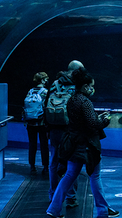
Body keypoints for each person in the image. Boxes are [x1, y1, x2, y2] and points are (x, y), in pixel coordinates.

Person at [46, 68, 119, 218]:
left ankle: (53, 209)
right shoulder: (85, 101)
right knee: (95, 175)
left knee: (69, 175)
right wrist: (104, 121)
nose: (92, 89)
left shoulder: (72, 99)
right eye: (91, 86)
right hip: (87, 146)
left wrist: (95, 118)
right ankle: (103, 210)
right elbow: (92, 124)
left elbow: (81, 121)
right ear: (85, 86)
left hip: (74, 144)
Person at [44, 60, 83, 207]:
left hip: (54, 129)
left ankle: (53, 194)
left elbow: (45, 104)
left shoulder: (55, 83)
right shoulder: (77, 85)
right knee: (72, 163)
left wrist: (48, 128)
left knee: (53, 162)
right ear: (76, 71)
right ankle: (71, 197)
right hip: (71, 130)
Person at [23, 72, 49, 174]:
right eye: (45, 79)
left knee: (32, 144)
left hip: (30, 123)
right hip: (42, 123)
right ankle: (45, 166)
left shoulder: (30, 91)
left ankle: (32, 166)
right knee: (44, 145)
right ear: (42, 80)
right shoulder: (45, 92)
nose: (46, 81)